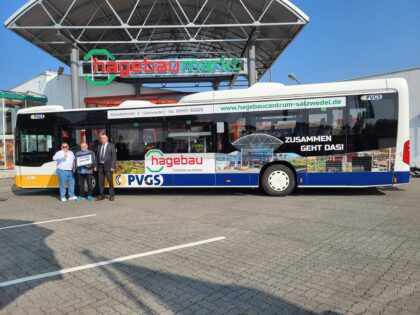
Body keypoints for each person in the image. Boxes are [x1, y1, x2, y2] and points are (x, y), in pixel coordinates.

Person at [94, 134, 117, 201]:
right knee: (100, 182)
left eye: (104, 138)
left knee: (110, 181)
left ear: (107, 139)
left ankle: (111, 195)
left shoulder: (111, 146)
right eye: (101, 138)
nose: (102, 139)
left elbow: (114, 157)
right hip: (100, 166)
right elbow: (97, 157)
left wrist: (112, 166)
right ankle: (101, 195)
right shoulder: (99, 146)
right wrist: (95, 166)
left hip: (109, 167)